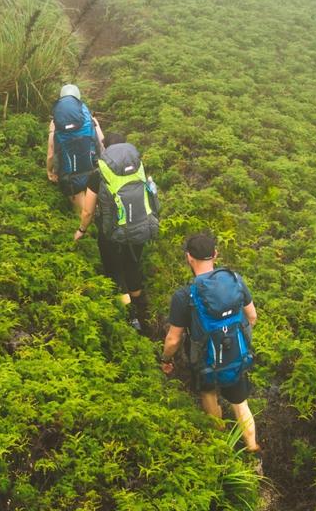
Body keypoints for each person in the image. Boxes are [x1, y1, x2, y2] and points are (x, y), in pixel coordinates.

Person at [159, 232, 260, 455]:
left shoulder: (184, 295)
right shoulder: (235, 280)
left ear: (189, 257)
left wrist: (165, 359)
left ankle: (220, 446)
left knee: (208, 394)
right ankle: (253, 448)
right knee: (240, 403)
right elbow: (252, 316)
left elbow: (174, 339)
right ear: (215, 254)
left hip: (204, 360)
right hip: (236, 355)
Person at [73, 133, 159, 334]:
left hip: (111, 232)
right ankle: (142, 310)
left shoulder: (98, 174)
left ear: (107, 150)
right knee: (132, 264)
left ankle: (130, 317)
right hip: (139, 226)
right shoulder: (138, 167)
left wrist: (81, 230)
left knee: (115, 271)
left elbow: (87, 211)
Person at [47, 84, 104, 214]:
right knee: (94, 210)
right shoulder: (89, 118)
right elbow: (101, 142)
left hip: (69, 176)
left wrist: (50, 171)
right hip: (92, 169)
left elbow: (51, 153)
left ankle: (85, 230)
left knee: (82, 213)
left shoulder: (55, 123)